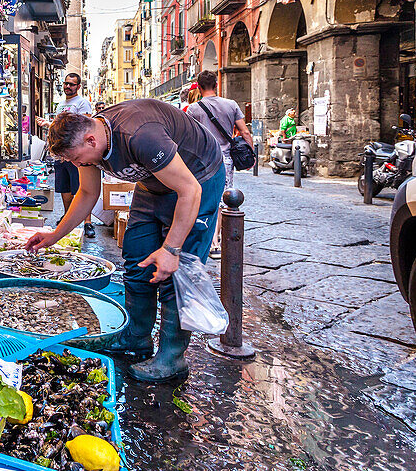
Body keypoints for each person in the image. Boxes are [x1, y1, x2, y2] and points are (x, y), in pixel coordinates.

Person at [26, 100, 225, 382]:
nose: (76, 164)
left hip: (197, 179)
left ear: (91, 139)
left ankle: (172, 357)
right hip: (152, 183)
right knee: (137, 257)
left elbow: (189, 190)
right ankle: (136, 336)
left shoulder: (141, 135)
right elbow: (86, 193)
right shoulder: (89, 141)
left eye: (76, 158)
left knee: (176, 273)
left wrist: (171, 249)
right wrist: (55, 235)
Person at [186, 70, 254, 257]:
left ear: (199, 88)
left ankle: (211, 240)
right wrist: (251, 155)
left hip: (202, 160)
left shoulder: (193, 109)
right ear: (216, 85)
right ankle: (216, 242)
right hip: (225, 159)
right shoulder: (231, 105)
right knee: (224, 200)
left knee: (207, 199)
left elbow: (190, 138)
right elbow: (245, 132)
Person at [36, 73, 95, 237]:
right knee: (65, 188)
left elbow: (86, 125)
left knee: (81, 188)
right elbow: (59, 127)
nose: (68, 86)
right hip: (62, 154)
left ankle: (87, 222)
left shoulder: (83, 103)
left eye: (72, 84)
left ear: (78, 86)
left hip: (77, 154)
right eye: (66, 83)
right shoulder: (61, 105)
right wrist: (50, 125)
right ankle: (69, 217)